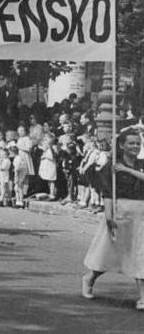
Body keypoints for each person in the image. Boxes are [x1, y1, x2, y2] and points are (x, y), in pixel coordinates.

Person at [82, 128, 144, 310]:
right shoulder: (112, 166)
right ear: (122, 145)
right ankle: (89, 278)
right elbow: (108, 192)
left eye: (138, 143)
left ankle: (142, 297)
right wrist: (109, 215)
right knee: (110, 251)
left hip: (141, 212)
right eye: (131, 143)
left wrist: (128, 170)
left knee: (141, 254)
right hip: (121, 212)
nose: (135, 146)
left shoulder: (140, 164)